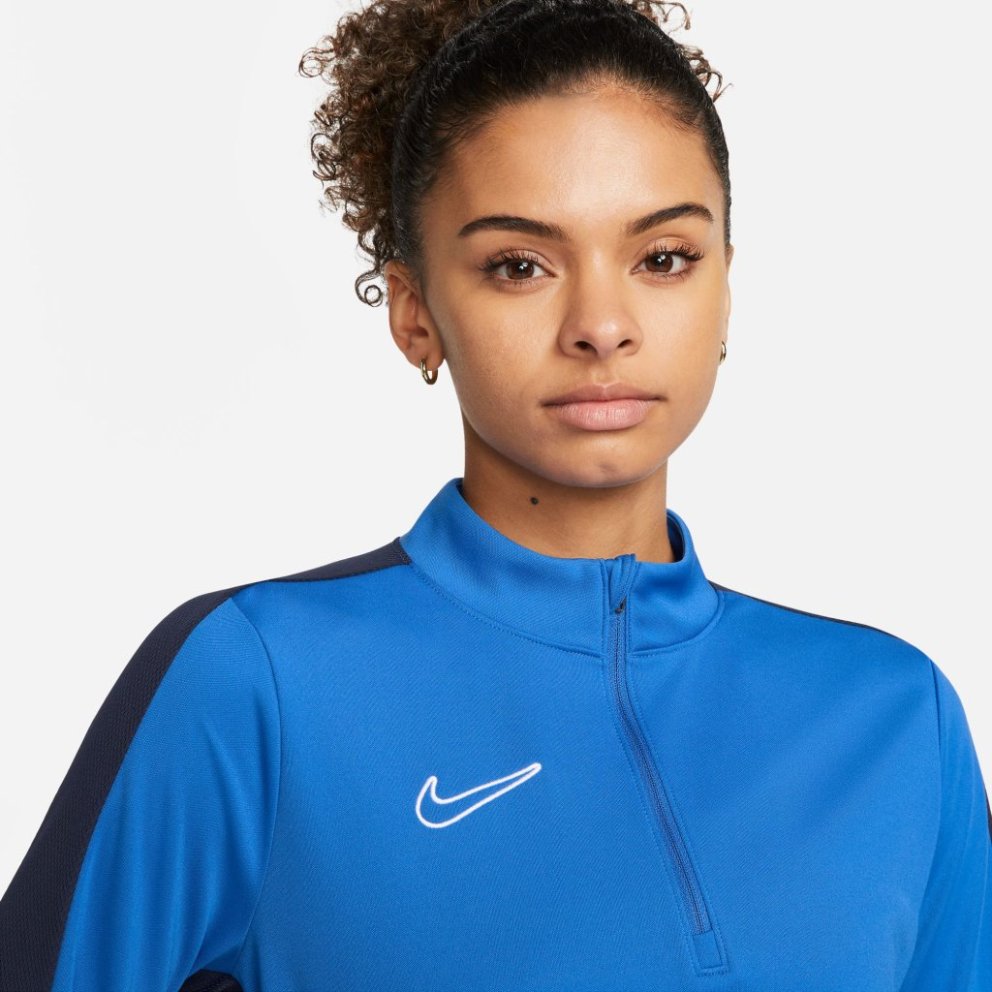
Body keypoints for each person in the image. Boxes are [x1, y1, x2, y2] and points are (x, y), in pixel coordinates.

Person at [1, 0, 988, 987]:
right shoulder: (259, 680)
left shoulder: (897, 720)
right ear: (415, 314)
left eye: (662, 258)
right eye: (519, 266)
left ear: (723, 288)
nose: (601, 323)